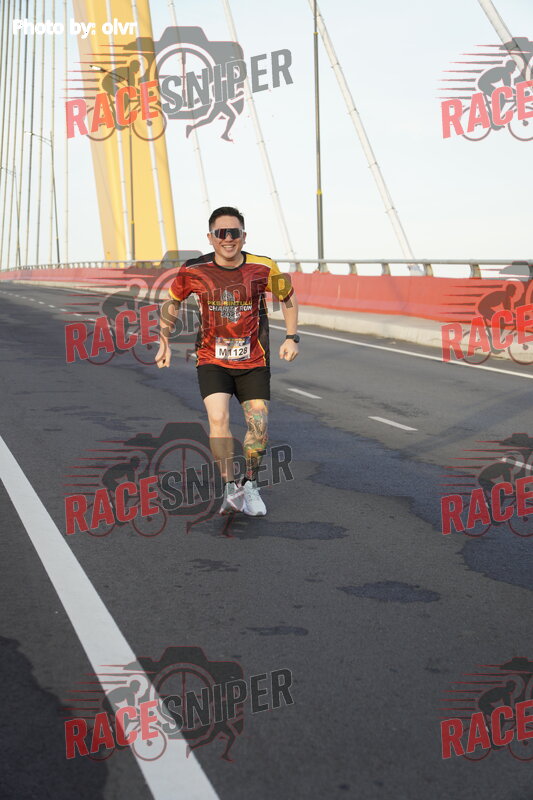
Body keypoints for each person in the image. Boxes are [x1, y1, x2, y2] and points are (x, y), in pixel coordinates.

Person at [157, 206, 299, 517]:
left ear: (244, 236)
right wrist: (164, 339)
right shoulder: (194, 270)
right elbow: (172, 301)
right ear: (210, 238)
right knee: (218, 418)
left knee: (258, 426)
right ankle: (230, 487)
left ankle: (250, 484)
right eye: (221, 233)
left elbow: (288, 298)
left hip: (254, 359)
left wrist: (292, 337)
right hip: (212, 358)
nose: (228, 238)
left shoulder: (263, 267)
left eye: (234, 232)